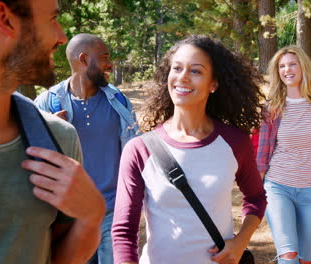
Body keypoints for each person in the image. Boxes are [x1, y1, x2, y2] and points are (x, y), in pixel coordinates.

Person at [0, 1, 106, 263]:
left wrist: (91, 219)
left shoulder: (58, 139)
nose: (62, 37)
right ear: (4, 19)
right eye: (52, 19)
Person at [111, 35, 267, 264]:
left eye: (196, 71)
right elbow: (124, 231)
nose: (182, 77)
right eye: (177, 68)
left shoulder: (235, 142)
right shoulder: (140, 150)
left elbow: (256, 198)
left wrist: (242, 240)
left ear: (213, 84)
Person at [35, 33, 139, 264]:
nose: (110, 64)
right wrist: (48, 130)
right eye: (104, 57)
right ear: (83, 60)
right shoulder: (46, 103)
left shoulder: (118, 101)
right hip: (66, 216)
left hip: (112, 210)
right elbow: (26, 155)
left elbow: (136, 151)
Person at [253, 46, 311, 264]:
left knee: (306, 258)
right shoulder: (272, 107)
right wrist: (255, 192)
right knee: (288, 255)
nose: (287, 70)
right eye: (281, 66)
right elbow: (261, 154)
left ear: (303, 67)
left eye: (292, 64)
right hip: (278, 187)